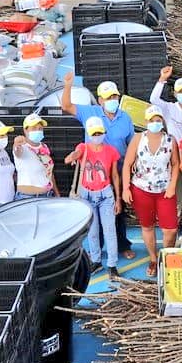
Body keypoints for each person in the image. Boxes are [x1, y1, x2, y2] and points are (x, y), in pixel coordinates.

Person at [62, 76, 138, 261]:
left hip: (117, 171)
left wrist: (132, 161)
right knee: (94, 216)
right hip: (93, 174)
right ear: (100, 99)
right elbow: (66, 106)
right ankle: (99, 250)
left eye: (115, 97)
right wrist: (68, 85)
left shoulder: (124, 117)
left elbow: (131, 142)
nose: (112, 101)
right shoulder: (90, 112)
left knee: (117, 211)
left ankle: (121, 244)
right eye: (108, 97)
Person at [122, 106, 180, 277]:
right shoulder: (138, 139)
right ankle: (154, 259)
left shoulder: (170, 140)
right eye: (152, 120)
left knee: (170, 229)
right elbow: (127, 164)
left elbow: (175, 164)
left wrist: (172, 186)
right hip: (141, 189)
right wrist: (126, 188)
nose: (155, 123)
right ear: (146, 121)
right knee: (147, 226)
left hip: (165, 191)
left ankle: (167, 256)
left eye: (158, 120)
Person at [65, 117, 122, 278]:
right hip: (86, 194)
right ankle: (96, 260)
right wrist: (73, 156)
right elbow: (74, 154)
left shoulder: (111, 151)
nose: (97, 135)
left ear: (104, 132)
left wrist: (118, 198)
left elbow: (115, 176)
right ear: (89, 134)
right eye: (94, 133)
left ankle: (112, 264)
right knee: (92, 231)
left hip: (105, 194)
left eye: (99, 132)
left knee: (110, 230)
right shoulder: (83, 147)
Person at [13, 113, 58, 199]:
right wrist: (16, 144)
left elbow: (49, 172)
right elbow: (17, 152)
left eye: (40, 128)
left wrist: (56, 193)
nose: (38, 131)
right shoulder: (22, 146)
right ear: (25, 130)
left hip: (47, 195)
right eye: (33, 128)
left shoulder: (44, 146)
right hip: (27, 197)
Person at [151, 67, 182, 143]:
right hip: (173, 149)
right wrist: (162, 78)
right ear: (175, 94)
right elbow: (154, 99)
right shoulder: (169, 108)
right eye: (180, 92)